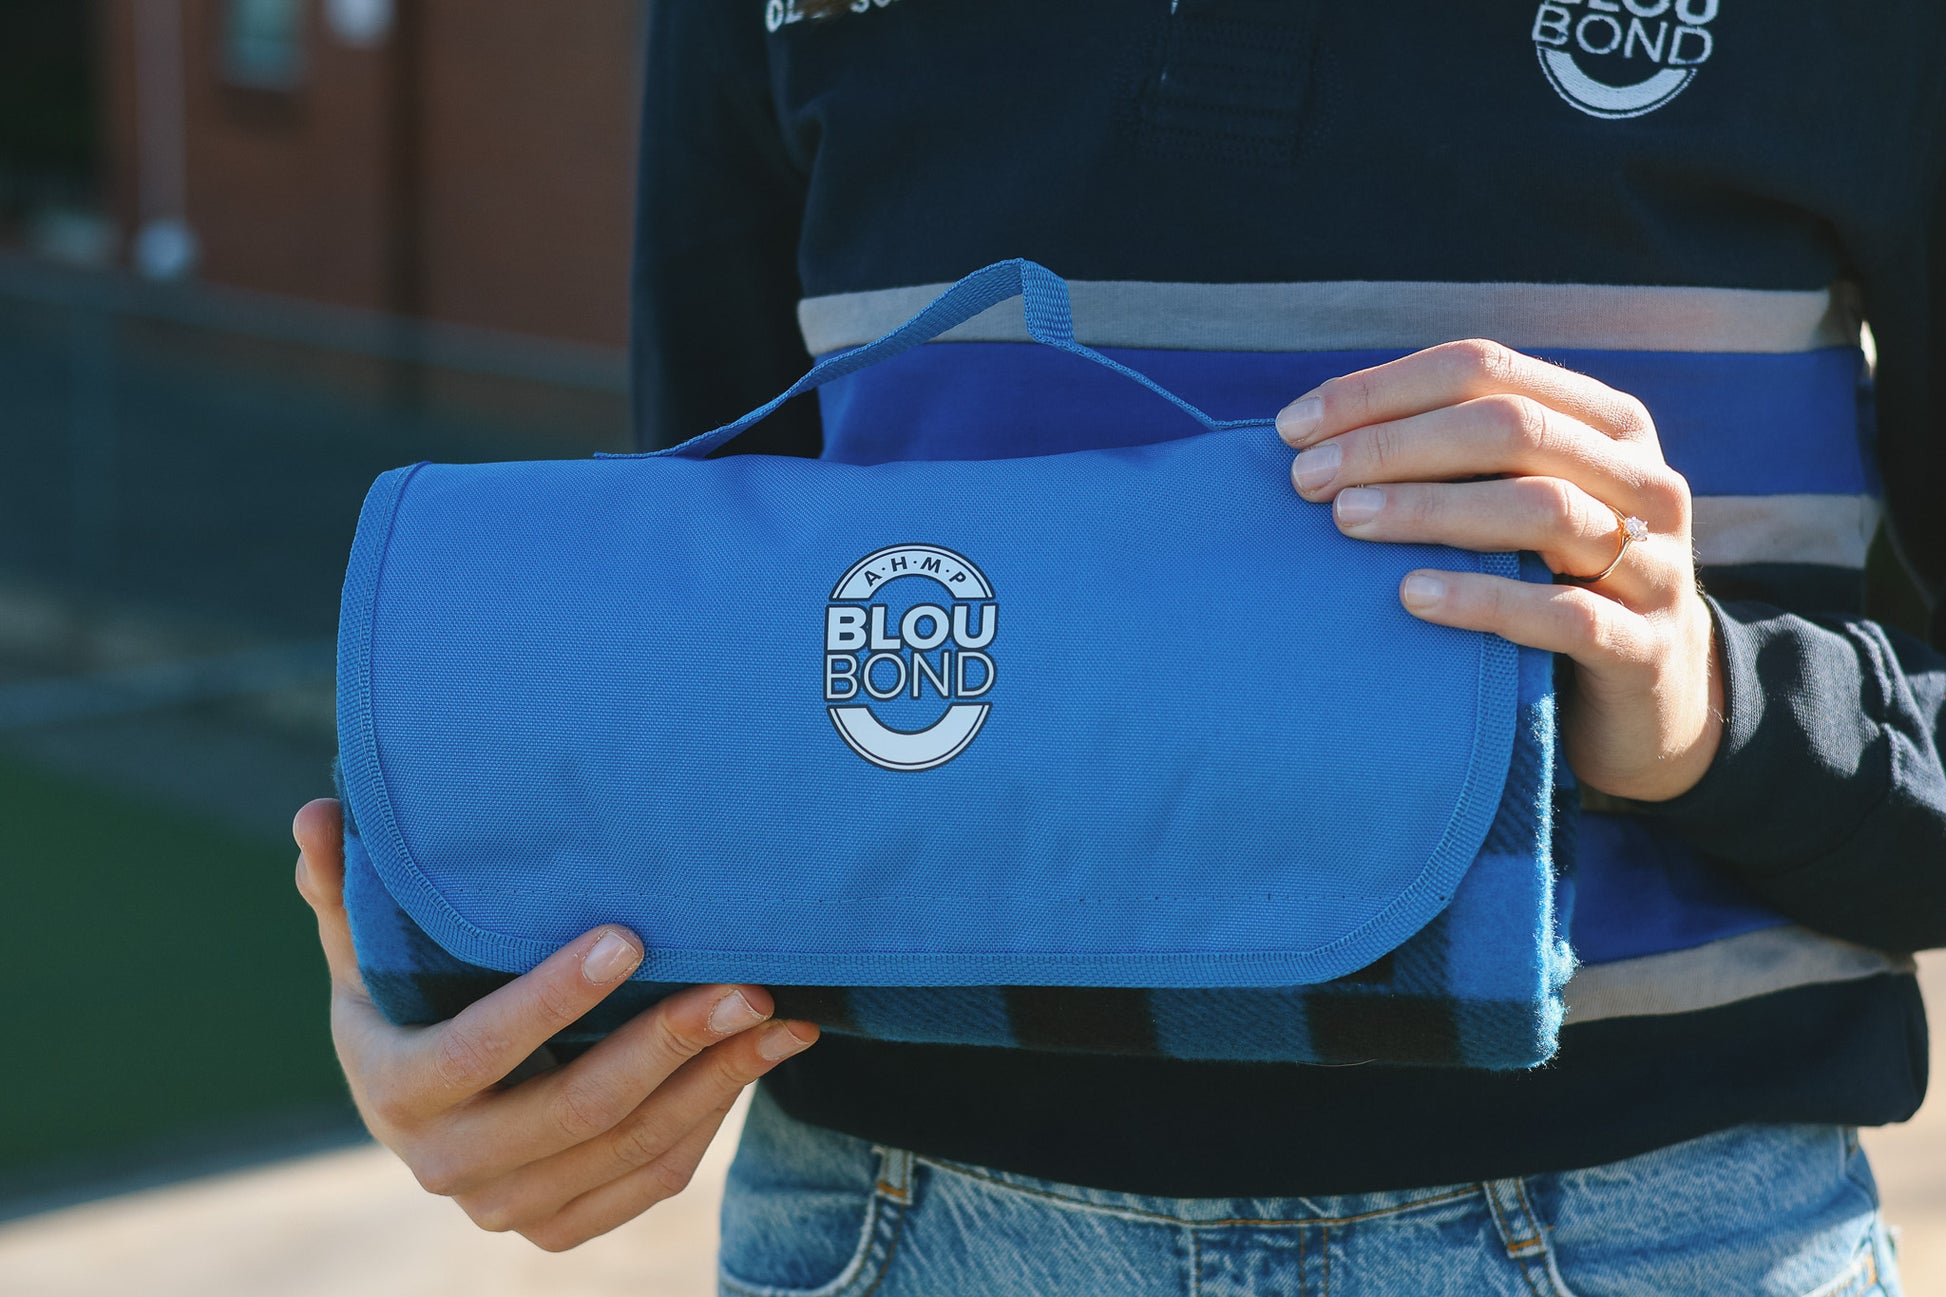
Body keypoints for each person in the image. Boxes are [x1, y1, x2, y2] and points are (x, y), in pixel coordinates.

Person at [293, 1, 1946, 1290]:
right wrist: (480, 1039)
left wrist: (1712, 705)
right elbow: (712, 642)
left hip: (1647, 1236)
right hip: (891, 1231)